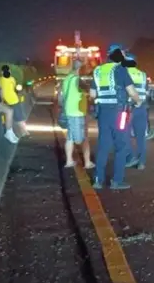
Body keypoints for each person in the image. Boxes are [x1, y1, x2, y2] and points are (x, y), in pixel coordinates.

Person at [90, 44, 145, 190]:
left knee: (103, 146)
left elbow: (92, 95)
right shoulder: (120, 70)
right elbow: (132, 92)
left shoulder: (98, 71)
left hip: (103, 113)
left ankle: (97, 180)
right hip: (119, 113)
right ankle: (116, 180)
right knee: (121, 146)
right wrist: (138, 101)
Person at [61, 60, 94, 169]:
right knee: (83, 138)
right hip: (77, 112)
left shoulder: (67, 79)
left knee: (70, 136)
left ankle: (69, 160)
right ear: (80, 69)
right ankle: (87, 162)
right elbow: (90, 91)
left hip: (69, 111)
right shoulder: (77, 80)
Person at [122, 52, 149, 170]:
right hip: (141, 108)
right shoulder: (143, 75)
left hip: (127, 108)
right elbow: (146, 91)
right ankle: (141, 162)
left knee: (123, 133)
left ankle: (130, 158)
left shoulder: (123, 73)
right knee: (141, 136)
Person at [0, 65, 21, 143]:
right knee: (12, 115)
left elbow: (0, 90)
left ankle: (10, 132)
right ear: (9, 71)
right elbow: (14, 88)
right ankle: (10, 132)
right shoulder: (12, 79)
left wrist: (2, 100)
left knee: (9, 113)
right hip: (14, 100)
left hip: (6, 101)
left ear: (1, 72)